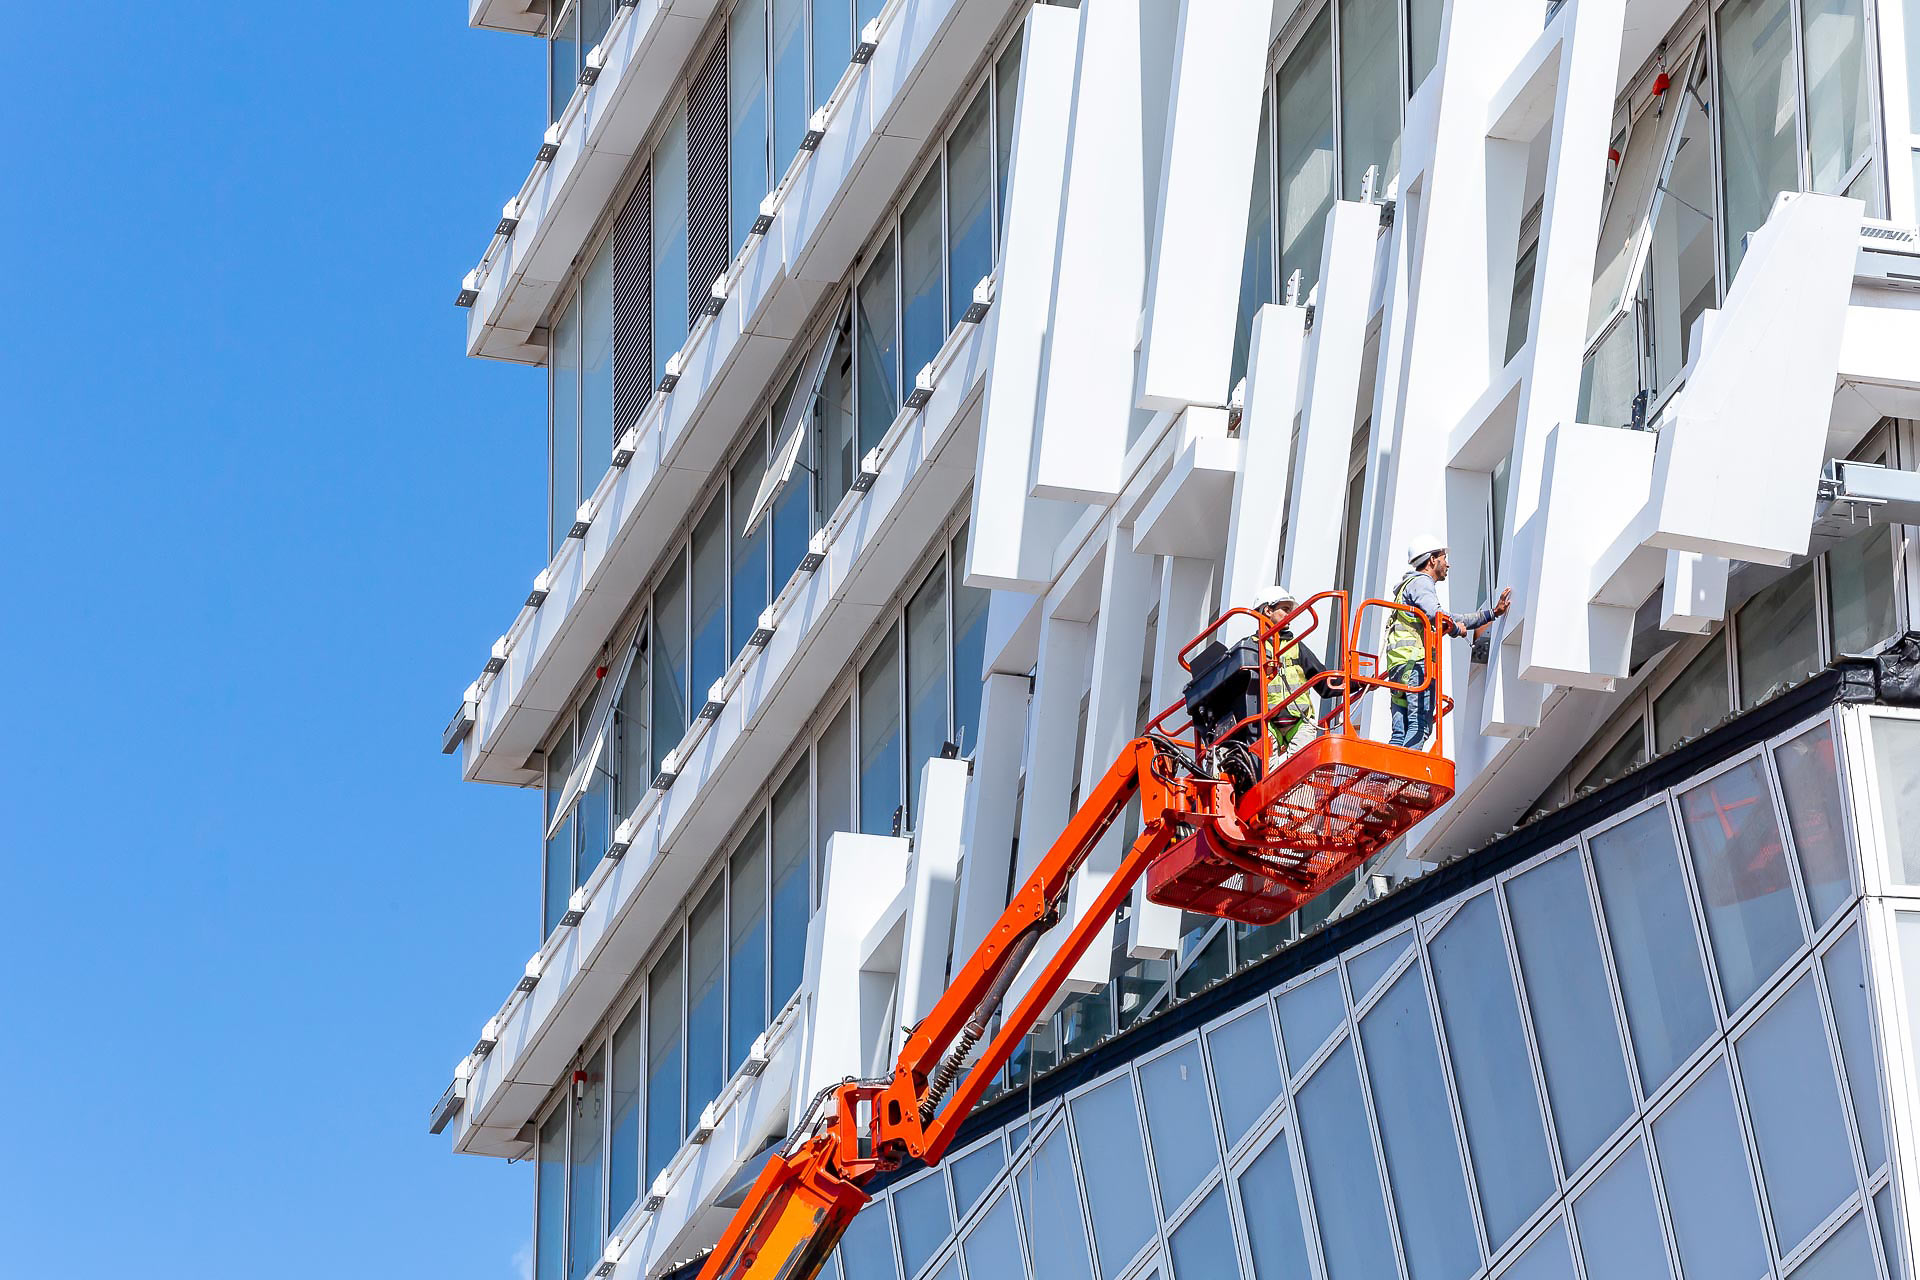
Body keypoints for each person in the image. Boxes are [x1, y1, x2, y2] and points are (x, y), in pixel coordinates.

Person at [1384, 536, 1512, 749]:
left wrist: (1490, 614)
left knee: (1400, 731)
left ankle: (1386, 779)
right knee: (1419, 726)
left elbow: (1447, 617)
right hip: (1414, 665)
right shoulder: (1422, 583)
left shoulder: (1407, 587)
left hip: (1398, 666)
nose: (1448, 564)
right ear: (1432, 560)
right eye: (1444, 558)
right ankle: (1405, 777)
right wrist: (1453, 628)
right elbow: (1437, 615)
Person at [1254, 586, 1342, 765]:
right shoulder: (1252, 647)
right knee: (1267, 778)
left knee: (1302, 774)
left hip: (1300, 721)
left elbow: (1324, 682)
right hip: (1267, 723)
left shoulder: (1296, 646)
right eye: (1285, 609)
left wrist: (1357, 683)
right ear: (1268, 610)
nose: (1290, 615)